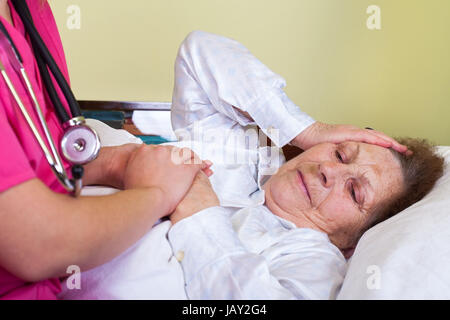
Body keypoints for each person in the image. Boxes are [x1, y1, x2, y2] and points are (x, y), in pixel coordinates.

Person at [0, 1, 409, 300]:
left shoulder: (310, 257)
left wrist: (198, 211)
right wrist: (302, 127)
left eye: (355, 192)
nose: (328, 173)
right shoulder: (243, 163)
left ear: (355, 242)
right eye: (339, 154)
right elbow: (202, 51)